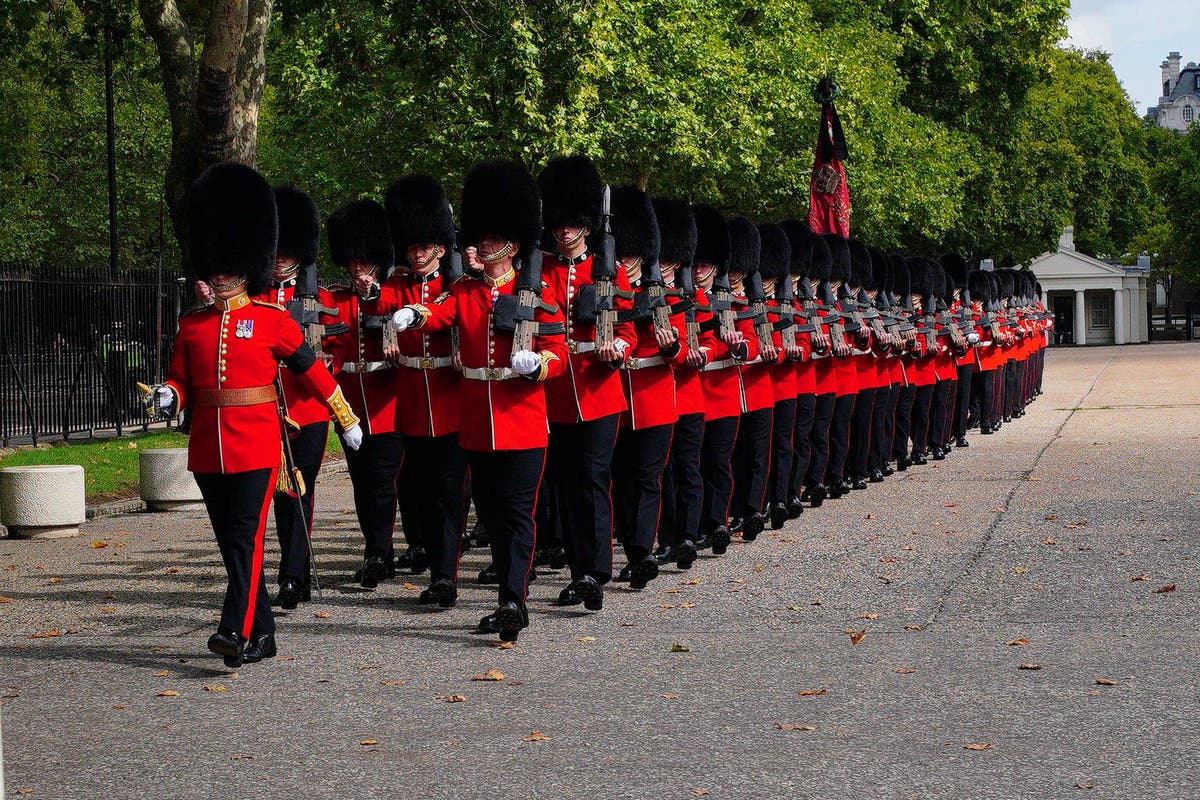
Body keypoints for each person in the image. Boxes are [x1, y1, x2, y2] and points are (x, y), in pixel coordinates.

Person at [145, 162, 362, 668]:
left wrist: (344, 416)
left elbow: (311, 370)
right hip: (207, 452)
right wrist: (169, 396)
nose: (220, 273)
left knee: (245, 540)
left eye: (228, 264)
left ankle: (232, 631)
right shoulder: (192, 325)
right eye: (214, 264)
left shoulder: (270, 321)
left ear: (247, 263)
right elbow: (181, 379)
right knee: (233, 547)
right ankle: (263, 634)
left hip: (259, 448)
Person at [390, 159, 567, 642]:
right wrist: (413, 314)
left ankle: (514, 601)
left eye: (491, 240)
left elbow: (559, 352)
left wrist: (541, 365)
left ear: (511, 245)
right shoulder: (466, 290)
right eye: (481, 238)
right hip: (478, 425)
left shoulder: (537, 292)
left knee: (516, 513)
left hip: (523, 420)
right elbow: (440, 313)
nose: (482, 246)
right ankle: (507, 596)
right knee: (489, 514)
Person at [359, 174, 466, 608]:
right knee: (418, 491)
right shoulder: (401, 281)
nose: (417, 254)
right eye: (412, 247)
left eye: (424, 247)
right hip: (413, 404)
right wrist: (369, 293)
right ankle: (429, 557)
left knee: (449, 493)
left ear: (440, 247)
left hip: (450, 398)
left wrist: (417, 313)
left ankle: (446, 575)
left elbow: (447, 313)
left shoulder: (456, 284)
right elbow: (383, 300)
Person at [537, 155, 636, 612]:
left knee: (593, 479)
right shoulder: (541, 273)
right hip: (556, 395)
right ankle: (578, 571)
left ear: (587, 224)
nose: (564, 231)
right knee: (564, 484)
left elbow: (629, 332)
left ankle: (596, 570)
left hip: (599, 391)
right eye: (559, 223)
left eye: (572, 223)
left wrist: (617, 346)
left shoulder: (608, 271)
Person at [323, 199, 406, 588]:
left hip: (387, 398)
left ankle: (378, 552)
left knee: (382, 481)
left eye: (363, 260)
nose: (357, 268)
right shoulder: (336, 298)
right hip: (351, 401)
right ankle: (379, 553)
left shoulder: (392, 291)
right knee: (360, 481)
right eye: (352, 261)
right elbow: (333, 345)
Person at [608, 186, 688, 590]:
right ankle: (627, 544)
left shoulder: (663, 296)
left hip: (654, 398)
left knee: (646, 478)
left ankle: (642, 553)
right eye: (619, 254)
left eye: (630, 254)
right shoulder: (608, 293)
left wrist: (672, 346)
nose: (623, 261)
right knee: (620, 478)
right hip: (617, 397)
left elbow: (682, 347)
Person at [254, 185, 329, 610]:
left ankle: (292, 574)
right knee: (276, 494)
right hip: (268, 410)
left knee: (300, 489)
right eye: (276, 250)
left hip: (309, 409)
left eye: (288, 251)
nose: (281, 259)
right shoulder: (257, 298)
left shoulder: (323, 299)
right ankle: (281, 571)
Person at [692, 206, 758, 556]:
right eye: (696, 265)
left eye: (705, 266)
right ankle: (695, 526)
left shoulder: (733, 302)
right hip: (691, 394)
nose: (699, 271)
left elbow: (751, 338)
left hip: (723, 393)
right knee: (691, 465)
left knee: (718, 462)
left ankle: (717, 521)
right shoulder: (682, 299)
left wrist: (736, 348)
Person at [653, 198, 709, 570]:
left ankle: (687, 535)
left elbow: (712, 339)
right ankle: (668, 538)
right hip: (656, 398)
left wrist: (694, 351)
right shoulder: (647, 296)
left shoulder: (697, 298)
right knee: (661, 472)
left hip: (687, 396)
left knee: (687, 468)